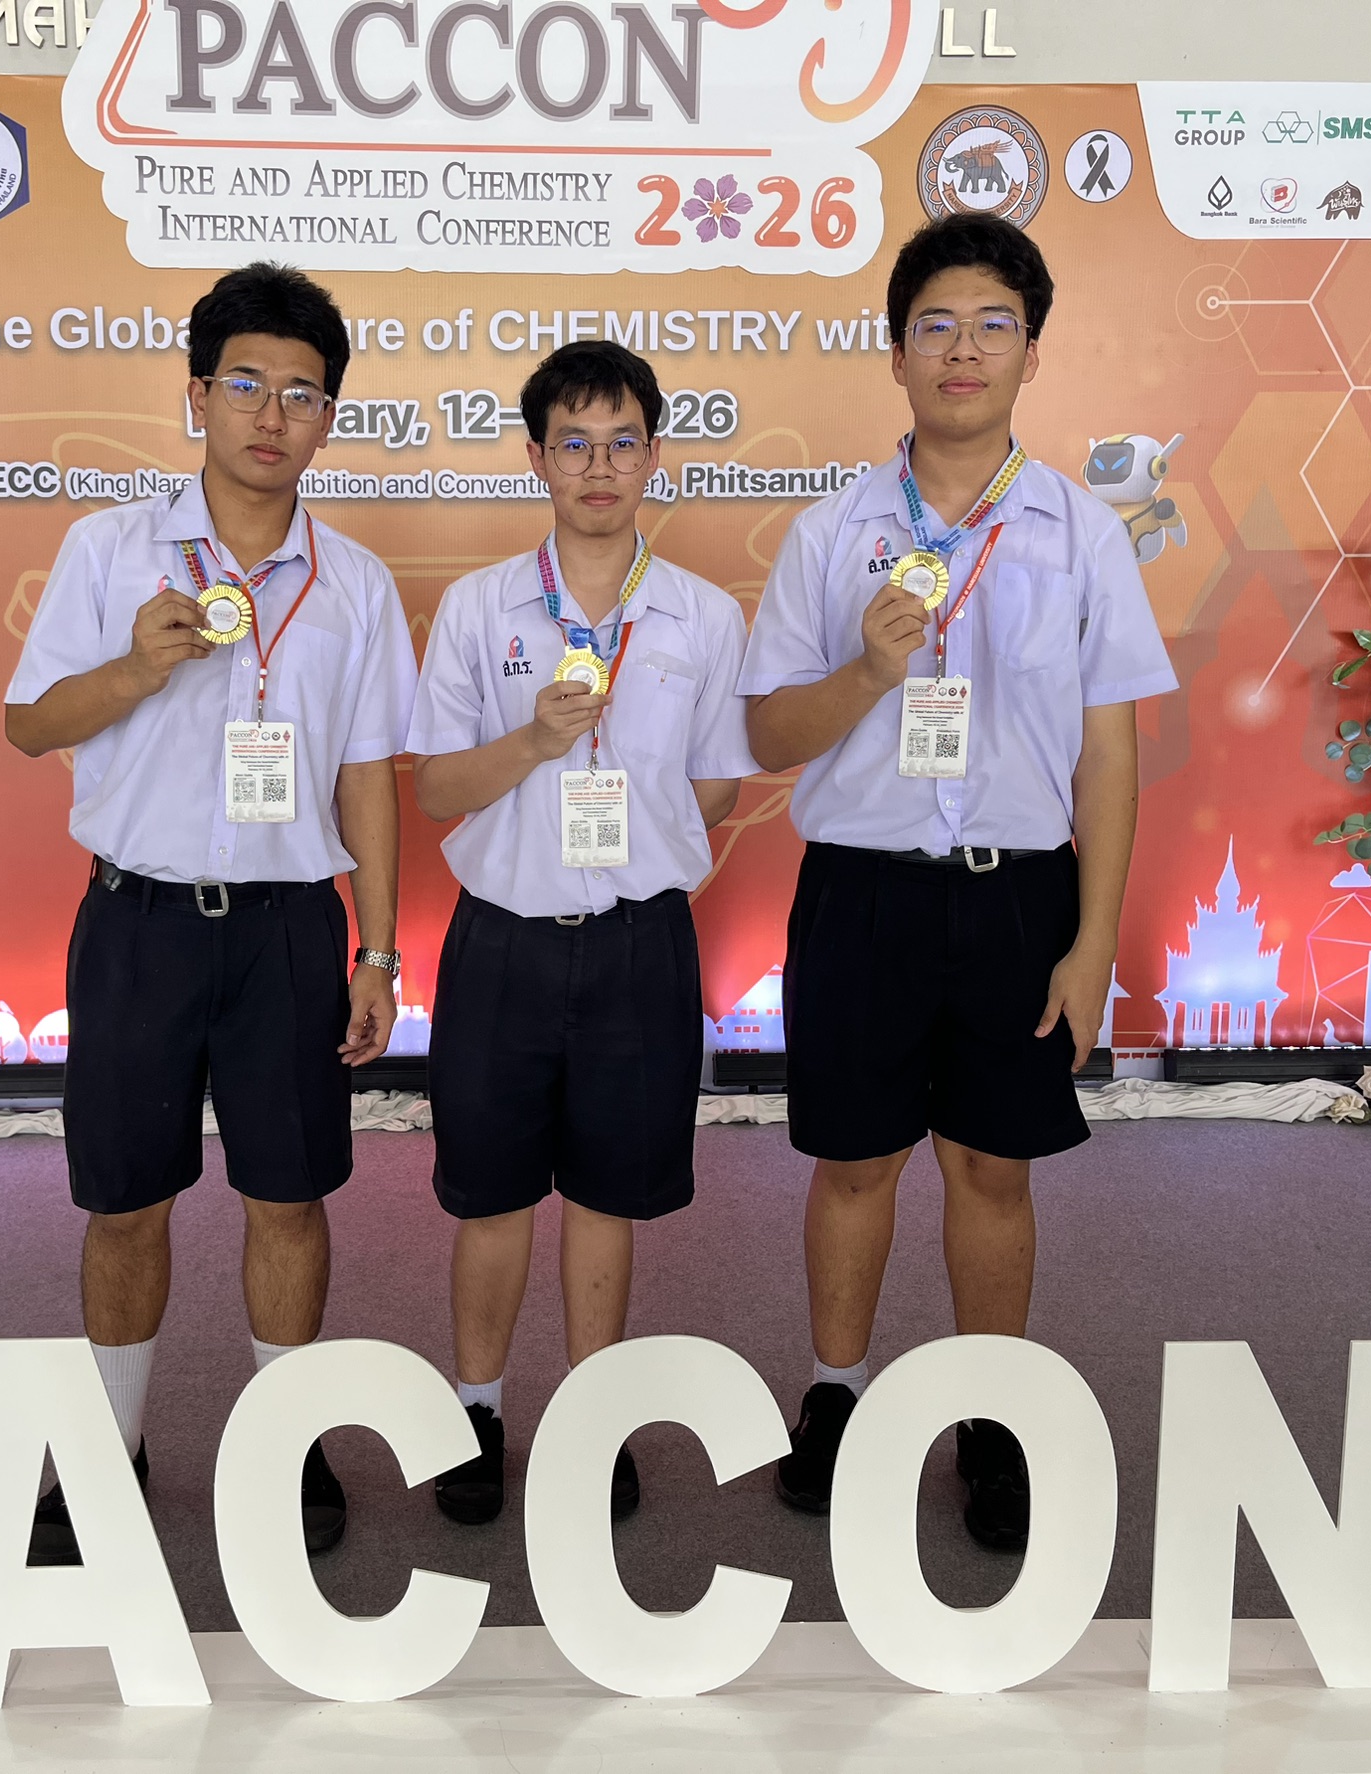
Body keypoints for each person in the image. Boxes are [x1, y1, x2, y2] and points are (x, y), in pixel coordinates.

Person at [738, 215, 1176, 1549]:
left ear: (1032, 354)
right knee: (854, 1161)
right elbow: (769, 733)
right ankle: (837, 1392)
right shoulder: (831, 533)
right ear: (897, 355)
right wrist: (869, 672)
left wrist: (1093, 940)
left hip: (1014, 899)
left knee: (993, 1165)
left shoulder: (1083, 534)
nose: (963, 349)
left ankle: (993, 1413)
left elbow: (1110, 750)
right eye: (935, 325)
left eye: (993, 325)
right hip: (861, 893)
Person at [3, 262, 416, 1559]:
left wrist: (380, 948)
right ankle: (108, 1450)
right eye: (246, 383)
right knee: (125, 1199)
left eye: (302, 393)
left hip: (290, 932)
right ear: (196, 395)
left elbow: (369, 775)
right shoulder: (108, 548)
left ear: (329, 419)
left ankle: (286, 1442)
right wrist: (136, 666)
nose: (271, 414)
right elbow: (29, 724)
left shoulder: (355, 583)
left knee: (289, 1195)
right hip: (140, 925)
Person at [407, 340, 755, 1525]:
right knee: (491, 1195)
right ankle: (475, 1411)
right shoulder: (478, 607)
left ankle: (591, 1415)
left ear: (655, 455)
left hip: (636, 943)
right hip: (502, 940)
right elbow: (437, 787)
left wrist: (637, 830)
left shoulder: (702, 615)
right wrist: (538, 745)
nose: (599, 467)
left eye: (621, 443)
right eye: (574, 444)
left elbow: (719, 785)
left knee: (608, 1195)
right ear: (536, 458)